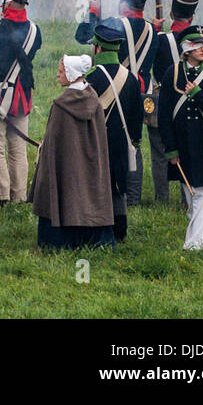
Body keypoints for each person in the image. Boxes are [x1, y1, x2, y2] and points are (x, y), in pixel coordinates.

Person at [75, 0, 157, 206]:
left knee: (113, 140)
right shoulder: (153, 31)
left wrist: (92, 12)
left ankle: (112, 189)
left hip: (116, 90)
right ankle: (133, 195)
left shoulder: (114, 25)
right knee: (135, 142)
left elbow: (82, 36)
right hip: (142, 93)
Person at [31, 55, 117, 250]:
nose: (57, 75)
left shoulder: (62, 105)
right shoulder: (92, 97)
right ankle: (94, 240)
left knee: (64, 191)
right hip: (88, 163)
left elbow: (54, 142)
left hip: (66, 165)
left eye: (61, 72)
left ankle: (58, 241)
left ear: (71, 75)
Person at [159, 28, 203, 250]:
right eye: (197, 46)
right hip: (182, 143)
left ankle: (194, 245)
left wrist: (198, 95)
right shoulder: (172, 73)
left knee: (201, 194)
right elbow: (164, 115)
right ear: (186, 50)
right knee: (192, 196)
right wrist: (170, 148)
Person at [0, 0, 43, 204]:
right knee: (18, 149)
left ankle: (0, 196)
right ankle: (18, 195)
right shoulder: (36, 31)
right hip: (22, 96)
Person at [82, 19, 143, 242]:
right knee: (118, 186)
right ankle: (120, 232)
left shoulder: (90, 78)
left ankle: (96, 230)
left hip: (95, 140)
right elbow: (137, 116)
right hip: (121, 141)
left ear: (98, 48)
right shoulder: (132, 79)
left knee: (95, 184)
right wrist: (135, 141)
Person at [149, 0, 201, 205]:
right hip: (190, 100)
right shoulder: (199, 42)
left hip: (162, 100)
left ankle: (162, 198)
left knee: (160, 152)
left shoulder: (160, 39)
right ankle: (186, 196)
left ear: (171, 14)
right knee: (187, 149)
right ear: (192, 16)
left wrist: (154, 30)